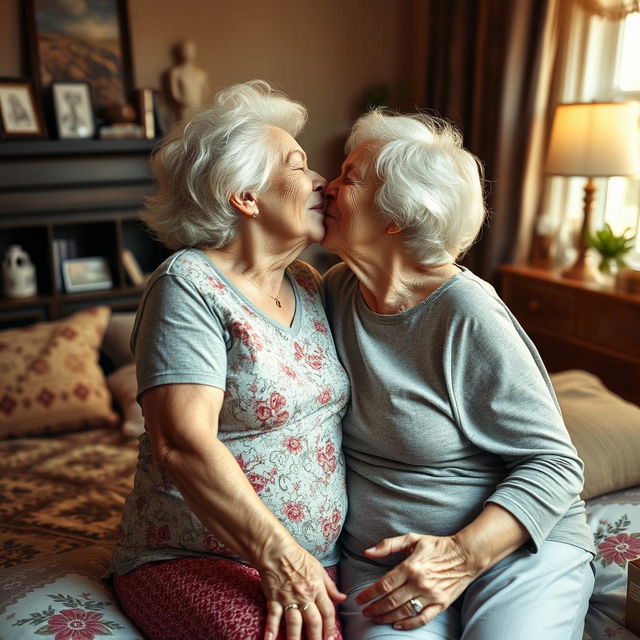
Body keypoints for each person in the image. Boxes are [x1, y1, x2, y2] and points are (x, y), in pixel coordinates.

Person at [321, 109, 595, 640]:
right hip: (389, 569)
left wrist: (461, 556)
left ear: (396, 215)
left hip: (514, 551)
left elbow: (556, 464)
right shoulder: (332, 293)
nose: (325, 186)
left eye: (349, 178)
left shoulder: (466, 313)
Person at [111, 80, 349, 640]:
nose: (321, 181)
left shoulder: (310, 284)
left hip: (320, 560)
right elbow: (183, 444)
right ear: (246, 195)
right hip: (197, 558)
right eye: (298, 165)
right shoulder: (188, 284)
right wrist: (281, 555)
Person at [168, 39, 210, 120]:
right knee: (183, 128)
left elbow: (205, 92)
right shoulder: (176, 72)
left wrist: (196, 102)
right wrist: (186, 102)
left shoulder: (201, 73)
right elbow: (175, 94)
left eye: (190, 50)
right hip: (184, 110)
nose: (188, 53)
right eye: (185, 50)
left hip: (198, 107)